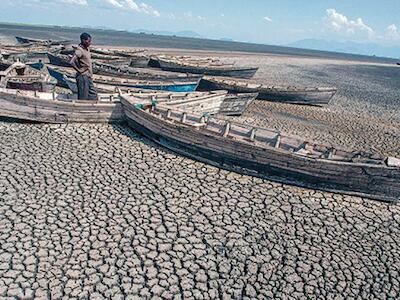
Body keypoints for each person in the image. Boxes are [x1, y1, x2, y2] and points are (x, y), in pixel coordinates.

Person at [69, 33, 97, 100]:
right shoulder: (79, 50)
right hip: (83, 77)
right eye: (88, 41)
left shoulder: (87, 49)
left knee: (93, 96)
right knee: (83, 97)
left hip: (88, 77)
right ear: (83, 41)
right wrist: (79, 70)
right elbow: (71, 62)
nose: (90, 43)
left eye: (90, 41)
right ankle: (80, 109)